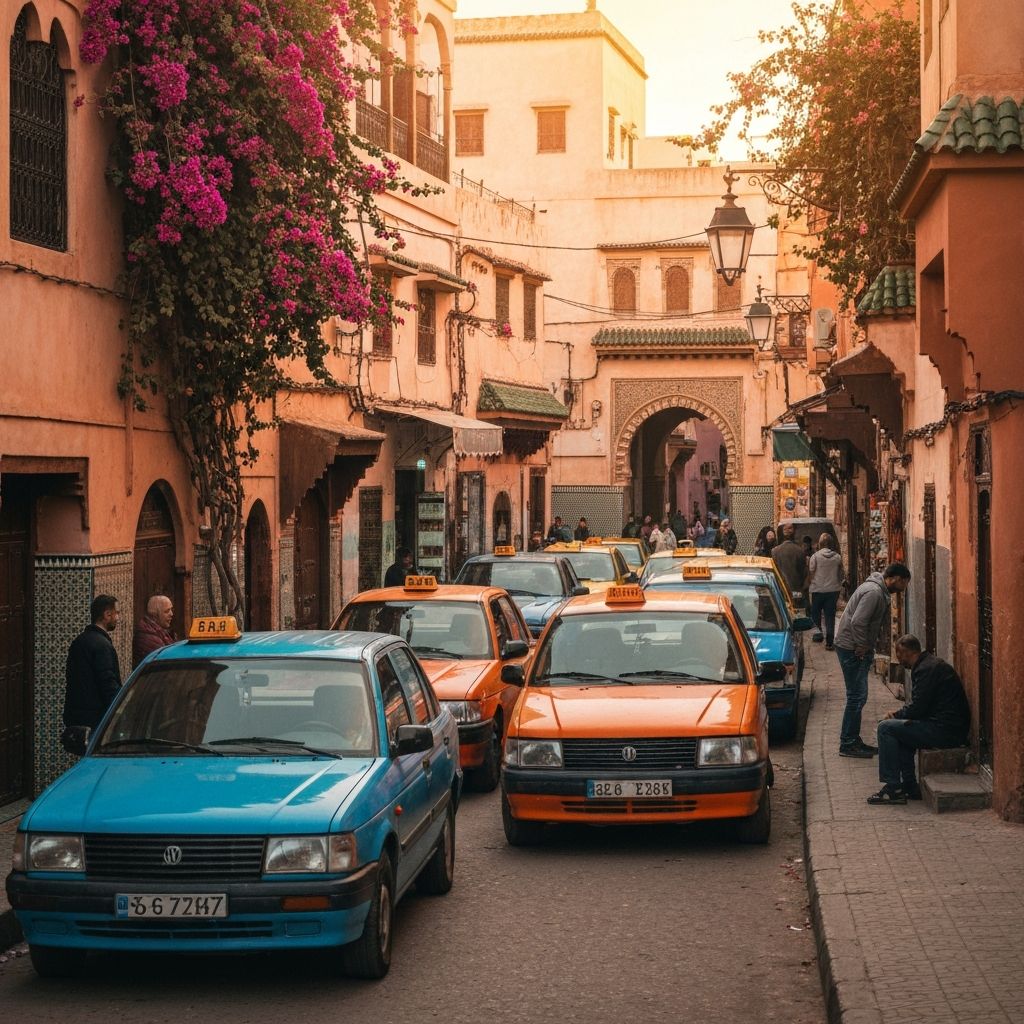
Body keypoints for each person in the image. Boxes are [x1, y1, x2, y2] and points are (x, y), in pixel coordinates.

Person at [867, 634, 970, 804]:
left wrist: (896, 715)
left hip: (946, 731)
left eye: (898, 654)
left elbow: (918, 708)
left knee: (886, 728)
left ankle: (893, 786)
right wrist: (901, 716)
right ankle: (909, 786)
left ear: (907, 652)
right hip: (947, 727)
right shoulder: (929, 664)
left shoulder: (925, 669)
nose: (898, 660)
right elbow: (921, 707)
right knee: (900, 730)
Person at [834, 562, 912, 759]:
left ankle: (852, 739)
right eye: (904, 583)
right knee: (856, 696)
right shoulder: (874, 593)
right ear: (896, 579)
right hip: (851, 648)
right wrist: (862, 646)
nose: (903, 588)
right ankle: (848, 743)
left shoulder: (876, 589)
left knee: (859, 696)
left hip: (851, 646)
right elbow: (858, 621)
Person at [62, 595, 122, 753]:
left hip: (77, 718)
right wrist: (120, 710)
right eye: (116, 613)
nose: (118, 617)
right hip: (96, 720)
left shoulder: (79, 641)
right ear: (107, 614)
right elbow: (108, 683)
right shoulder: (102, 646)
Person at [808, 534, 844, 650]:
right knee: (830, 616)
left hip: (817, 590)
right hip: (832, 591)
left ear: (820, 544)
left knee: (816, 614)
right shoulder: (837, 557)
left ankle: (818, 635)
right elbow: (840, 573)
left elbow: (811, 571)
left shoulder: (815, 557)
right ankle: (829, 641)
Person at [132, 594, 175, 668]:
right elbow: (167, 663)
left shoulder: (161, 632)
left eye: (171, 610)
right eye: (167, 611)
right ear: (154, 615)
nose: (171, 614)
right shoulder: (146, 636)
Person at [772, 524, 809, 606]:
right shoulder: (800, 551)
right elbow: (804, 573)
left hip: (781, 591)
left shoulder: (774, 551)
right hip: (797, 592)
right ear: (794, 534)